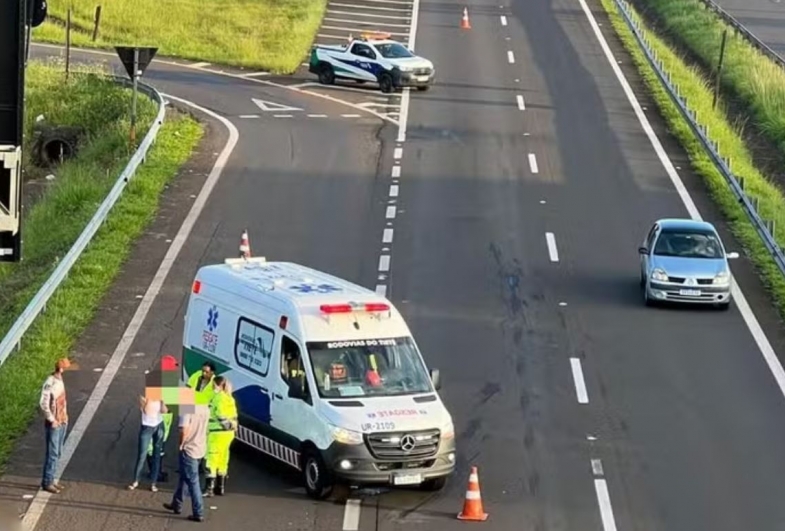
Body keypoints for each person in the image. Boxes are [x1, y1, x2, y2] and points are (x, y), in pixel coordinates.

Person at [163, 397, 210, 522]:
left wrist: (181, 444)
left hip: (189, 449)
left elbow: (184, 429)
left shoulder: (186, 409)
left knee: (193, 482)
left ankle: (198, 512)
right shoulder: (204, 407)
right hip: (200, 447)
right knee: (184, 477)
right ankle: (176, 503)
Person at [39, 358, 70, 494]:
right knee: (52, 453)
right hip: (55, 423)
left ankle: (52, 479)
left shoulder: (59, 380)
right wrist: (52, 419)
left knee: (58, 452)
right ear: (61, 369)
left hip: (62, 419)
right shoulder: (50, 383)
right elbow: (44, 403)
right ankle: (47, 481)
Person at [128, 383, 167, 491]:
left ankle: (153, 483)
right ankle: (136, 480)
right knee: (142, 454)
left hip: (159, 426)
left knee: (157, 454)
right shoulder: (144, 398)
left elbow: (164, 411)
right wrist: (150, 399)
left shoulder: (159, 398)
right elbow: (147, 411)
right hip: (147, 427)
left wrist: (162, 401)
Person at [204, 376, 238, 497]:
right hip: (228, 435)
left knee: (211, 459)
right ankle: (221, 487)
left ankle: (209, 488)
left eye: (214, 385)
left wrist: (226, 425)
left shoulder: (218, 398)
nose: (213, 387)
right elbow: (234, 416)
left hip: (217, 432)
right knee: (223, 458)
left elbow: (219, 414)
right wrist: (231, 427)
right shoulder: (230, 398)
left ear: (219, 385)